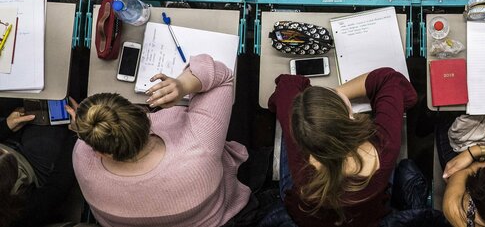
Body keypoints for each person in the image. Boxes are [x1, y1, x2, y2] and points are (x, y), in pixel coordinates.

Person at [69, 54, 255, 226]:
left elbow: (87, 145)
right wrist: (182, 85)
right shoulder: (198, 146)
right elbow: (222, 76)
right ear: (145, 113)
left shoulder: (82, 158)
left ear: (99, 148)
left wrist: (86, 128)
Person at [267, 67, 417, 226]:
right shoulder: (384, 147)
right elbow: (392, 82)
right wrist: (335, 94)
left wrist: (317, 109)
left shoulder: (303, 155)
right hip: (365, 215)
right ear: (351, 118)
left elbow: (287, 84)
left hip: (309, 214)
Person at [0, 105, 76, 227]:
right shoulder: (21, 213)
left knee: (37, 106)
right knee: (57, 114)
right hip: (32, 169)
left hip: (8, 143)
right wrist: (76, 133)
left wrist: (6, 126)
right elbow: (57, 188)